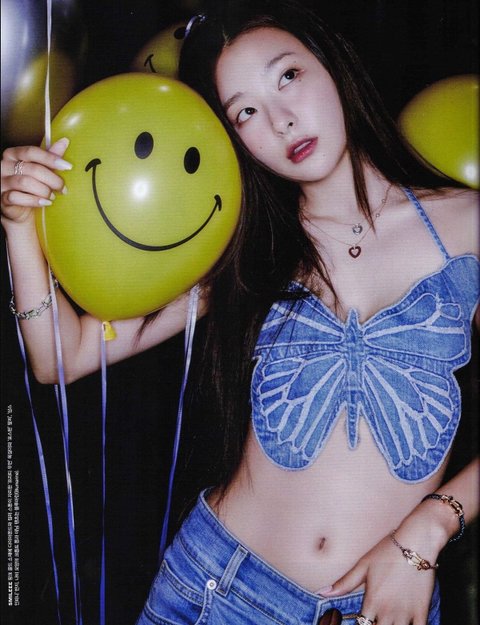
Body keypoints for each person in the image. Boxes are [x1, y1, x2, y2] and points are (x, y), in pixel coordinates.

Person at [1, 1, 478, 623]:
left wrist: (429, 531)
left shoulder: (467, 224)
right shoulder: (249, 248)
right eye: (245, 112)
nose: (281, 121)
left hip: (388, 602)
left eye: (288, 76)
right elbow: (60, 357)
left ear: (332, 65)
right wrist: (17, 226)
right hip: (215, 592)